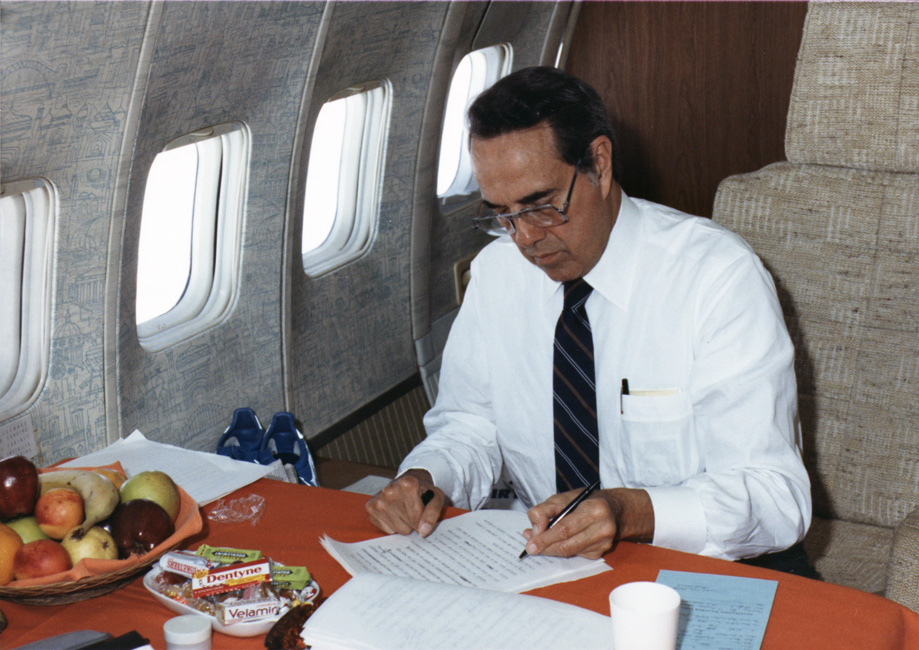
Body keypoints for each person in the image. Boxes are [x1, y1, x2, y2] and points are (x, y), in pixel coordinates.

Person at [366, 66, 813, 572]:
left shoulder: (718, 278)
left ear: (599, 164)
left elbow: (777, 498)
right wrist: (427, 478)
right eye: (502, 214)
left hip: (711, 562)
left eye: (541, 206)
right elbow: (471, 426)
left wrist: (628, 512)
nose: (525, 239)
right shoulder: (496, 275)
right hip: (554, 564)